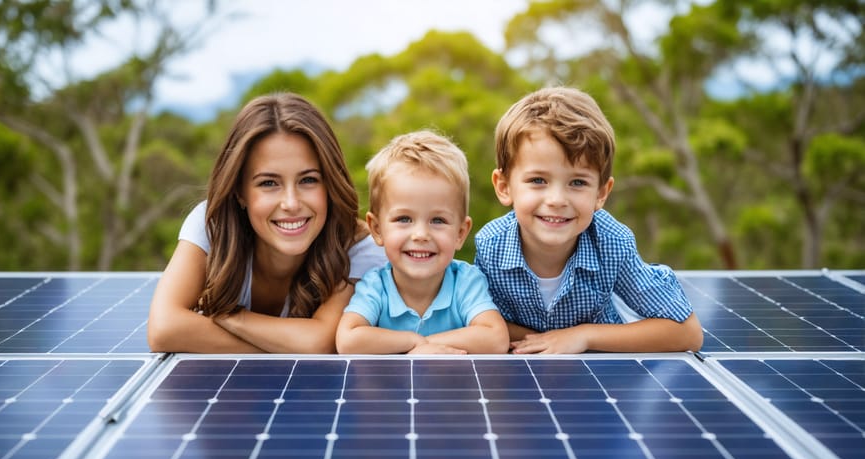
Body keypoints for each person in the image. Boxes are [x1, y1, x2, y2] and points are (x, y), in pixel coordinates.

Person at [147, 93, 386, 353]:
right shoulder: (213, 225)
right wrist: (285, 348)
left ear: (330, 185)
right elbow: (164, 328)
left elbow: (318, 342)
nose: (291, 203)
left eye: (308, 180)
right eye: (269, 183)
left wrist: (231, 317)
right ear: (239, 191)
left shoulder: (359, 246)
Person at [474, 86, 704, 354]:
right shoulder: (491, 247)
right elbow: (480, 325)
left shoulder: (612, 243)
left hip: (602, 368)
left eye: (578, 182)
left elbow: (687, 332)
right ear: (504, 186)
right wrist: (548, 340)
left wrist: (582, 336)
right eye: (538, 180)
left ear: (601, 193)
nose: (557, 200)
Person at [336, 130, 509, 355]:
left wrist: (426, 345)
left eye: (438, 220)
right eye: (404, 219)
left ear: (460, 233)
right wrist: (413, 342)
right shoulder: (376, 286)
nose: (420, 235)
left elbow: (495, 338)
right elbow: (348, 341)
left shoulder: (465, 281)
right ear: (377, 229)